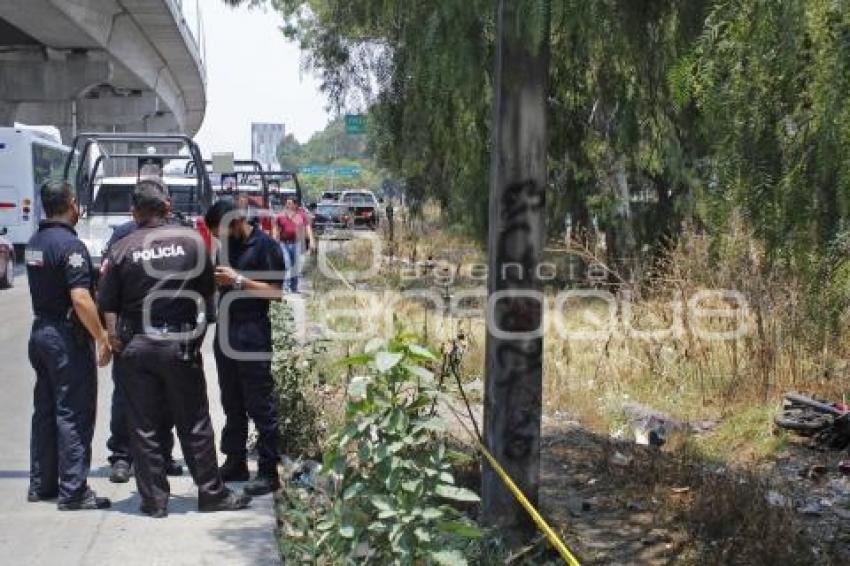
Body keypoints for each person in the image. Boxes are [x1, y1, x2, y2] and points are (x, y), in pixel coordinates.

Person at [98, 179, 251, 518]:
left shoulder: (122, 248)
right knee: (194, 420)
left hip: (136, 346)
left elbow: (106, 301)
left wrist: (114, 340)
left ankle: (154, 501)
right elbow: (207, 298)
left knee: (143, 425)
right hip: (179, 344)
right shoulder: (193, 241)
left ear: (135, 212)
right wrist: (195, 340)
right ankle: (211, 494)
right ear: (167, 206)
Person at [25, 181, 111, 511]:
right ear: (71, 204)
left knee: (45, 411)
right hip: (65, 337)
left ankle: (41, 484)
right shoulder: (71, 247)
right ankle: (74, 490)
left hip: (41, 332)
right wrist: (101, 336)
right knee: (72, 412)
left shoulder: (35, 242)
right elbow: (80, 297)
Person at [204, 200, 285, 496]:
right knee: (232, 401)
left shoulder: (267, 247)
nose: (219, 239)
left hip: (252, 332)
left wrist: (237, 280)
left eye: (221, 232)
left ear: (237, 222)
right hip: (226, 332)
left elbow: (276, 293)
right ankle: (235, 460)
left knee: (260, 403)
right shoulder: (224, 246)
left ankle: (268, 471)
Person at [102, 216, 182, 483]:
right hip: (131, 330)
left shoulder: (177, 233)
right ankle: (122, 457)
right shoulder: (123, 236)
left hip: (169, 328)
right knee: (125, 397)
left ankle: (162, 454)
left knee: (167, 398)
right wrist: (109, 334)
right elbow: (107, 287)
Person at [274, 196, 313, 292]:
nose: (288, 205)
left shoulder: (302, 215)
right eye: (287, 203)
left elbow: (308, 228)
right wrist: (274, 240)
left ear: (295, 205)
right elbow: (276, 228)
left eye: (290, 203)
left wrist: (311, 240)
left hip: (296, 243)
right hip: (283, 243)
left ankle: (294, 287)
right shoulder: (281, 215)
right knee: (287, 264)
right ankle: (286, 287)